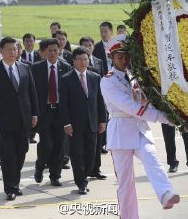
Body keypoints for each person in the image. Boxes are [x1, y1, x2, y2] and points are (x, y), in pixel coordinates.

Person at [100, 34, 180, 218]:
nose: (124, 60)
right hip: (120, 131)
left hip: (139, 129)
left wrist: (170, 115)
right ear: (112, 57)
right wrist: (163, 118)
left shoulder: (133, 77)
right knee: (125, 183)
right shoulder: (108, 81)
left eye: (127, 56)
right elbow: (131, 107)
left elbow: (144, 103)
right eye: (120, 57)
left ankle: (166, 193)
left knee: (152, 158)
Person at [0, 37, 39, 200]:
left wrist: (34, 114)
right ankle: (10, 188)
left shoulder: (25, 68)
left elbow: (32, 92)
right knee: (8, 155)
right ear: (1, 51)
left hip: (24, 119)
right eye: (8, 49)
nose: (12, 52)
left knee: (21, 152)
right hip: (4, 121)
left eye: (15, 49)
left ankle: (15, 182)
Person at [60, 47, 107, 194]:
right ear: (73, 61)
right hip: (74, 125)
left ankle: (85, 175)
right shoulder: (66, 79)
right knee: (77, 154)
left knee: (91, 154)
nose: (82, 62)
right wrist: (66, 123)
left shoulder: (95, 77)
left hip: (92, 123)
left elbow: (100, 101)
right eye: (79, 59)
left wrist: (102, 120)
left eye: (85, 59)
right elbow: (64, 104)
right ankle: (81, 183)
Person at [32, 38, 71, 187]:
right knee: (46, 143)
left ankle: (55, 175)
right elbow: (32, 91)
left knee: (59, 145)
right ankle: (40, 166)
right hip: (44, 111)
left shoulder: (66, 67)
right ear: (45, 52)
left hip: (60, 111)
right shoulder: (36, 68)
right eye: (50, 51)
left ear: (59, 51)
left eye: (56, 50)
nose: (53, 53)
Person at [79, 36, 108, 177]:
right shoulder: (76, 65)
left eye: (89, 45)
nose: (88, 48)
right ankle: (84, 170)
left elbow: (104, 84)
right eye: (85, 46)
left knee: (97, 143)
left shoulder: (99, 63)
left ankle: (96, 169)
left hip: (96, 108)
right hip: (81, 111)